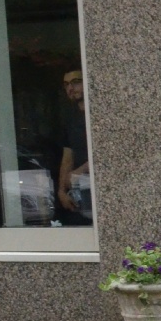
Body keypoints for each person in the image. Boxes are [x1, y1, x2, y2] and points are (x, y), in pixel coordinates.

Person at [57, 69, 92, 224]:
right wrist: (61, 191)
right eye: (66, 85)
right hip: (78, 192)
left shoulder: (99, 115)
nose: (70, 88)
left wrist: (80, 171)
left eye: (76, 82)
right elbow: (67, 157)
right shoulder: (70, 119)